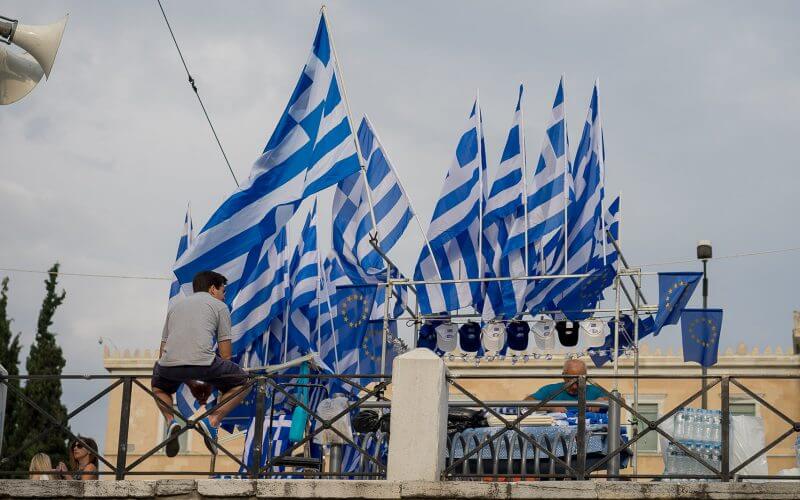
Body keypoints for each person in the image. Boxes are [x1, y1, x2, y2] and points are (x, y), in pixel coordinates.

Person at [151, 270, 251, 457]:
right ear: (213, 289)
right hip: (203, 363)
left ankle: (171, 421)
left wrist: (168, 370)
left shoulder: (175, 307)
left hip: (167, 365)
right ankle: (212, 420)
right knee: (245, 382)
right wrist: (223, 382)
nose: (224, 296)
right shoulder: (219, 306)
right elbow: (225, 353)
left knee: (158, 388)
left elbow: (162, 347)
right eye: (223, 291)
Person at [526, 359, 607, 413]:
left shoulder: (594, 391)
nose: (575, 387)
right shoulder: (550, 390)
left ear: (586, 378)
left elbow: (618, 400)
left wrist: (602, 400)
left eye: (579, 381)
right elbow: (527, 402)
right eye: (571, 381)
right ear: (563, 376)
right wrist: (550, 407)